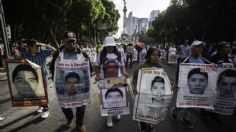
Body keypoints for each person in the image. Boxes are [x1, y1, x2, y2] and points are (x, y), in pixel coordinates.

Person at [50, 31, 91, 132]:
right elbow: (52, 68)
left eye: (73, 41)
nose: (71, 43)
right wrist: (56, 80)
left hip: (80, 85)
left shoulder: (83, 54)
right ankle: (69, 118)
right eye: (69, 41)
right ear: (63, 41)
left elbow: (89, 68)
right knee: (64, 104)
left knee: (81, 104)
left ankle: (80, 123)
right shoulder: (58, 54)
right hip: (63, 85)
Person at [170, 40, 211, 129]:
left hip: (197, 88)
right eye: (198, 47)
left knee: (191, 104)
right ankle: (174, 111)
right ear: (192, 49)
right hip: (185, 86)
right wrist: (176, 83)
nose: (200, 49)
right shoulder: (185, 60)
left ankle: (186, 119)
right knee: (182, 103)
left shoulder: (205, 61)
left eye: (201, 47)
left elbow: (211, 74)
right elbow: (178, 72)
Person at [14, 39, 56, 118]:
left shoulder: (43, 52)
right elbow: (17, 57)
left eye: (39, 46)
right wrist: (15, 53)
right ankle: (40, 106)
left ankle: (46, 109)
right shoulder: (26, 54)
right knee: (35, 92)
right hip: (32, 77)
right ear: (30, 47)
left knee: (43, 92)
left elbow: (55, 51)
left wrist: (45, 45)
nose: (38, 47)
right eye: (36, 46)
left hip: (43, 74)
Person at [95, 36, 127, 127]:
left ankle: (117, 112)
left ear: (114, 46)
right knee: (107, 99)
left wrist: (124, 72)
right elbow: (96, 66)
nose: (109, 47)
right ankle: (108, 118)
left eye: (111, 46)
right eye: (108, 46)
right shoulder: (101, 54)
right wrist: (97, 75)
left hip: (118, 79)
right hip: (105, 80)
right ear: (105, 46)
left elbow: (122, 65)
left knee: (117, 96)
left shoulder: (119, 54)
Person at [132, 47, 164, 132]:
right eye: (153, 55)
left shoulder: (161, 67)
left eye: (158, 55)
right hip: (142, 95)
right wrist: (135, 89)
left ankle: (151, 124)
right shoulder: (141, 67)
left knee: (153, 111)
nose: (156, 57)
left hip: (155, 96)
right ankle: (143, 127)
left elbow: (164, 81)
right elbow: (134, 80)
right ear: (149, 56)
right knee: (143, 112)